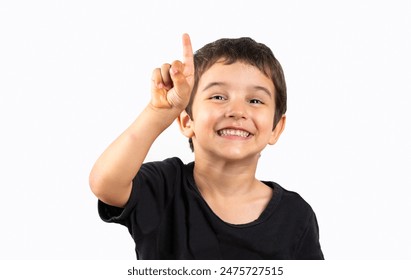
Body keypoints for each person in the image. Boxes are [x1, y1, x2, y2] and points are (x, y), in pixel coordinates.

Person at [89, 33, 324, 260]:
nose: (237, 111)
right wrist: (158, 112)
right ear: (186, 120)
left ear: (276, 128)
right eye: (218, 97)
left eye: (255, 100)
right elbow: (105, 184)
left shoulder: (295, 216)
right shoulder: (163, 187)